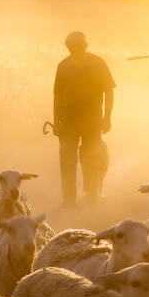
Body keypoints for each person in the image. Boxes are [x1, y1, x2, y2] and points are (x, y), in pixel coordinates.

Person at [53, 31, 115, 206]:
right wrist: (56, 120)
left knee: (91, 157)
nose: (76, 50)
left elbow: (109, 91)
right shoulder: (63, 66)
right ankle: (68, 198)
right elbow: (57, 95)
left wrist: (107, 117)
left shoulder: (98, 63)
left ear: (85, 46)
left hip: (92, 120)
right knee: (67, 158)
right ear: (68, 48)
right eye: (72, 48)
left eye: (79, 46)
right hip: (67, 121)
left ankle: (91, 194)